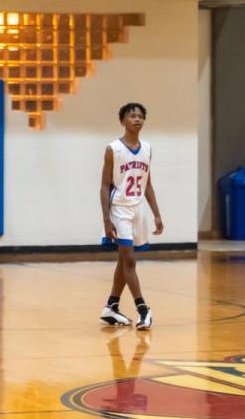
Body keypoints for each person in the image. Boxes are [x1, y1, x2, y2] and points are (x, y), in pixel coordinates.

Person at [99, 103, 164, 330]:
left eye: (140, 116)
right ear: (123, 121)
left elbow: (148, 184)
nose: (137, 119)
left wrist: (156, 213)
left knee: (123, 260)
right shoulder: (113, 149)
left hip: (138, 210)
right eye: (132, 116)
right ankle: (143, 309)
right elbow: (105, 186)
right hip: (119, 209)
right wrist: (106, 219)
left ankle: (111, 306)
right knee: (129, 260)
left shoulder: (147, 148)